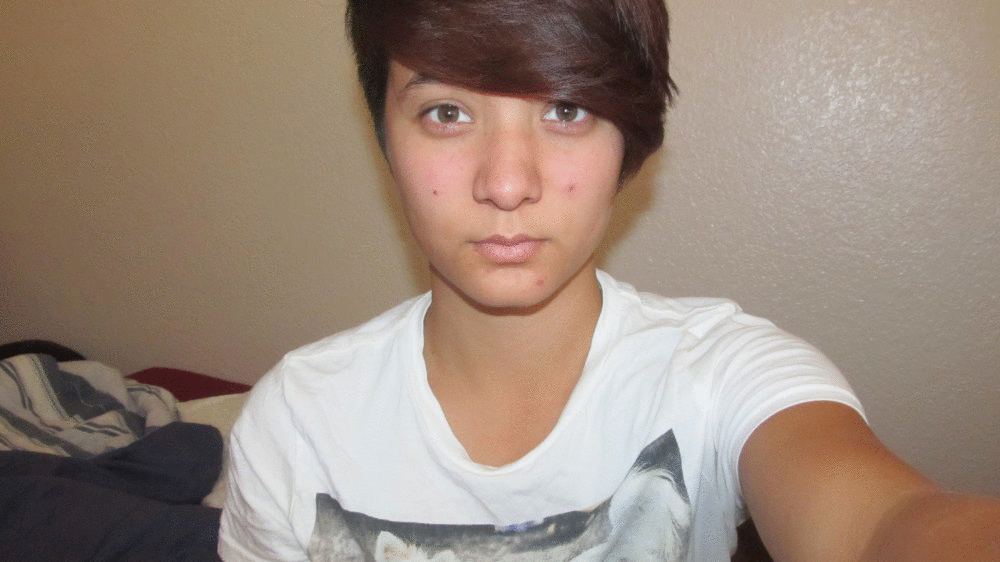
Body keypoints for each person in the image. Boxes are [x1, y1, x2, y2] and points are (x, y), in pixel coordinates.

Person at [218, 0, 1000, 560]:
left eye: (566, 110)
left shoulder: (720, 376)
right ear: (385, 139)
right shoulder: (297, 424)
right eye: (447, 113)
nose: (507, 182)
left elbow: (879, 522)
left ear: (630, 140)